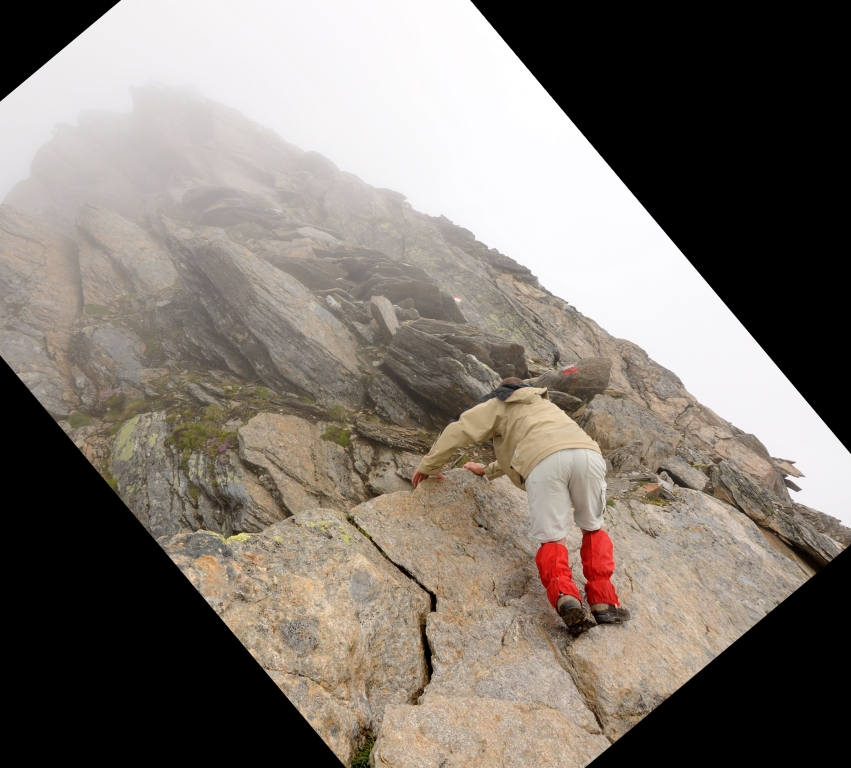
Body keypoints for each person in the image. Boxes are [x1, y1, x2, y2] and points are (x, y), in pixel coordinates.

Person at [411, 377, 630, 633]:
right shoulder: (546, 404)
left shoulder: (497, 403)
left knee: (552, 538)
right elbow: (530, 446)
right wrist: (489, 470)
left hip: (545, 464)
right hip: (588, 456)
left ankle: (566, 597)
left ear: (502, 391)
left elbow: (457, 430)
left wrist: (429, 466)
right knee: (593, 527)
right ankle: (604, 602)